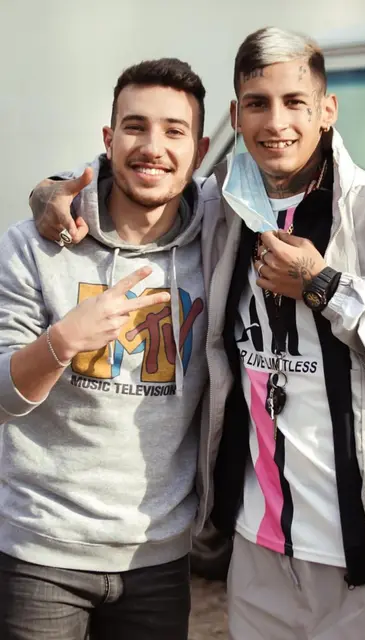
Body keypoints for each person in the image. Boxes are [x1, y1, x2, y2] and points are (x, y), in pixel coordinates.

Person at [30, 27, 365, 640]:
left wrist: (325, 286)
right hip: (258, 559)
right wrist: (55, 189)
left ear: (327, 109)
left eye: (294, 101)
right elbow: (146, 176)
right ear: (235, 116)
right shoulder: (223, 209)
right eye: (257, 103)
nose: (275, 122)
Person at [0, 58, 231, 640]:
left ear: (201, 150)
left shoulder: (220, 238)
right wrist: (63, 341)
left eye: (174, 131)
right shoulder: (35, 246)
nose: (153, 147)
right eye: (135, 126)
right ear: (108, 139)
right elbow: (2, 395)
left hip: (159, 557)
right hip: (39, 553)